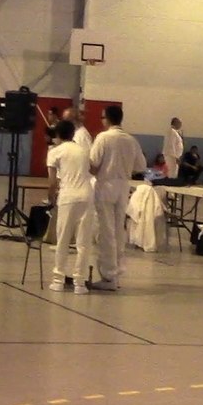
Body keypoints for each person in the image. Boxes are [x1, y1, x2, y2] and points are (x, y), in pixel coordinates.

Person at [89, 105, 146, 291]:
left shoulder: (103, 138)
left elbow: (93, 164)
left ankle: (108, 276)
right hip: (123, 187)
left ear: (108, 119)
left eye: (102, 117)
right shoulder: (131, 140)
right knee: (118, 230)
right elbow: (141, 166)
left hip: (106, 184)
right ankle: (117, 271)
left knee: (106, 231)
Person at [47, 120, 94, 294]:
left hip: (68, 197)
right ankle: (79, 283)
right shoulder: (83, 150)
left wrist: (51, 198)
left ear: (58, 135)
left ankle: (58, 280)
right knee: (83, 242)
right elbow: (93, 169)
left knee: (63, 240)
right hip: (87, 195)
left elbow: (52, 182)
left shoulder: (54, 152)